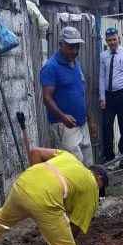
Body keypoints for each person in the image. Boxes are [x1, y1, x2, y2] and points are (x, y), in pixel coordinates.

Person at [41, 26, 93, 164]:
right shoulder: (51, 67)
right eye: (71, 47)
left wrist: (89, 119)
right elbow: (46, 98)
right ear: (61, 45)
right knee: (73, 166)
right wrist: (63, 117)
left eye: (77, 47)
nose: (75, 51)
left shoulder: (75, 63)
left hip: (82, 124)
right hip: (64, 125)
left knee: (88, 163)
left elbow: (80, 91)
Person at [99, 27, 123, 167]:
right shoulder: (103, 56)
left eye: (114, 39)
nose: (112, 42)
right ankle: (109, 158)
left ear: (119, 39)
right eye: (109, 40)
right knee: (106, 126)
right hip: (109, 97)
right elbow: (102, 77)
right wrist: (102, 97)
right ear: (106, 41)